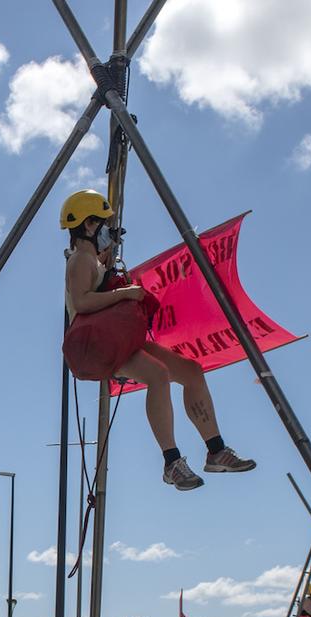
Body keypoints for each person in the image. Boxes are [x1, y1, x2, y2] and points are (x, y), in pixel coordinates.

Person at [57, 188, 254, 492]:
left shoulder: (92, 260)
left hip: (113, 338)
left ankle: (216, 450)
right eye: (105, 224)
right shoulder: (81, 260)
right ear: (89, 225)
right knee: (158, 375)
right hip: (98, 345)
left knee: (191, 372)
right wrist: (127, 293)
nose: (110, 231)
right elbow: (82, 303)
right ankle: (171, 462)